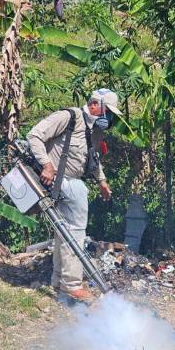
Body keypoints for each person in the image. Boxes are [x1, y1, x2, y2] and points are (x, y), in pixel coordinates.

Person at [26, 88, 121, 302]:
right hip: (60, 181)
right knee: (76, 232)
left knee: (64, 232)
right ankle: (72, 284)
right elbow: (34, 136)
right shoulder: (68, 117)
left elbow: (93, 158)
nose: (110, 119)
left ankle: (59, 281)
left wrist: (102, 181)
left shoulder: (95, 131)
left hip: (74, 182)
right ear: (95, 105)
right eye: (109, 113)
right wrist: (47, 165)